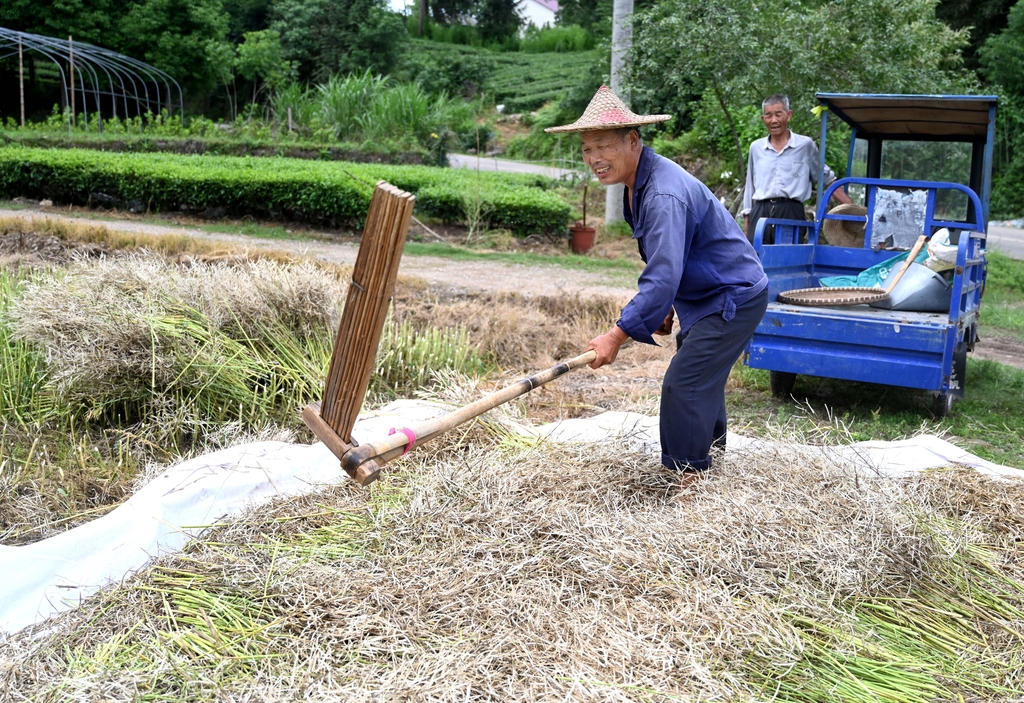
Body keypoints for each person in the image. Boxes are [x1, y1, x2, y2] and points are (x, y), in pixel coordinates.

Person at [545, 86, 768, 495]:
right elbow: (670, 260)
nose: (594, 159)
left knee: (685, 384)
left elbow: (663, 272)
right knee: (701, 376)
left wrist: (617, 334)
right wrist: (663, 305)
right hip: (707, 292)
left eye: (602, 146)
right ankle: (709, 465)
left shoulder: (662, 192)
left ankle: (690, 481)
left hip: (732, 296)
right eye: (585, 149)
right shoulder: (638, 182)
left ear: (633, 140)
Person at [741, 94, 851, 244]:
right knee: (756, 260)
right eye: (768, 115)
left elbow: (826, 178)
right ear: (763, 119)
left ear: (789, 115)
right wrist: (748, 222)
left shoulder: (805, 145)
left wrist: (853, 208)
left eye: (778, 114)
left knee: (787, 260)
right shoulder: (756, 147)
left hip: (790, 211)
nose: (774, 120)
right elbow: (750, 185)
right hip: (760, 211)